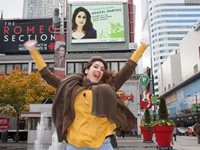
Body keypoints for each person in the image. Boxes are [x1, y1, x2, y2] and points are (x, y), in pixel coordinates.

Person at [24, 40, 148, 150]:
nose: (99, 70)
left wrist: (142, 47)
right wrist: (34, 51)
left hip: (103, 144)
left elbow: (127, 69)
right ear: (87, 70)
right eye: (96, 66)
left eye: (102, 69)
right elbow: (47, 75)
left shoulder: (108, 88)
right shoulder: (71, 87)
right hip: (75, 145)